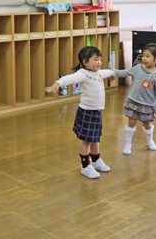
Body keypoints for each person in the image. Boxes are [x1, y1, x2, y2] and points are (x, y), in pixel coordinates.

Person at [45, 46, 115, 179]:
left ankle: (96, 161)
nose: (99, 62)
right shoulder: (83, 74)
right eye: (96, 60)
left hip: (96, 112)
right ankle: (85, 166)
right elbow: (68, 78)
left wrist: (113, 74)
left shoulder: (98, 73)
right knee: (87, 141)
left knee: (96, 138)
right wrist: (57, 84)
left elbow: (108, 72)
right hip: (87, 112)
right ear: (85, 62)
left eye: (100, 59)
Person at [113, 43, 156, 155]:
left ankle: (150, 140)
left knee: (147, 124)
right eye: (143, 55)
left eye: (148, 56)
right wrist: (113, 71)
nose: (144, 58)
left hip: (147, 105)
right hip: (134, 102)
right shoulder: (138, 68)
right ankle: (127, 143)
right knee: (131, 121)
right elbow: (124, 72)